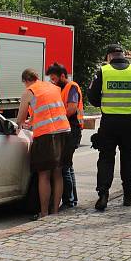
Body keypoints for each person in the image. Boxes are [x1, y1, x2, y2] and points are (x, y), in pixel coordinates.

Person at [88, 43, 131, 211]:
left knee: (106, 158)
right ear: (123, 55)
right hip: (130, 123)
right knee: (128, 158)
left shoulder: (103, 71)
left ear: (109, 56)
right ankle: (128, 196)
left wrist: (104, 102)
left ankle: (103, 194)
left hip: (109, 123)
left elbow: (92, 97)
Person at [15, 68, 70, 218]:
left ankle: (44, 213)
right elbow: (48, 109)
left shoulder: (29, 91)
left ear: (26, 80)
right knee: (58, 173)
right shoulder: (53, 87)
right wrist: (32, 120)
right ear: (37, 77)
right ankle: (55, 211)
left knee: (43, 175)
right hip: (64, 131)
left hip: (46, 135)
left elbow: (20, 119)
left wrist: (20, 124)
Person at [46, 62, 83, 209]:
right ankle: (72, 200)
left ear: (63, 76)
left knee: (64, 166)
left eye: (54, 78)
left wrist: (56, 118)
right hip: (66, 130)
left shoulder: (71, 87)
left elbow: (72, 109)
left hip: (72, 130)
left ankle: (68, 201)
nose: (52, 81)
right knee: (68, 165)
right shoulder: (60, 89)